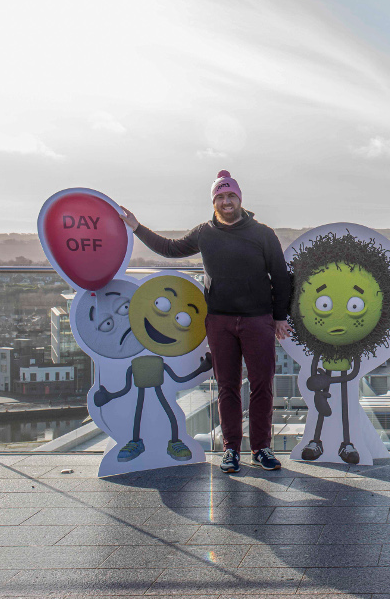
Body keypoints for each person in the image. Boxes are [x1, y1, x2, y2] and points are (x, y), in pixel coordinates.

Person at [119, 170, 291, 474]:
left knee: (262, 385)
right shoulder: (205, 233)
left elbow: (280, 276)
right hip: (220, 321)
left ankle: (262, 448)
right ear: (214, 201)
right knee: (228, 386)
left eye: (230, 196)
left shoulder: (262, 233)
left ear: (240, 199)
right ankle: (231, 450)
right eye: (220, 197)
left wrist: (279, 317)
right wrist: (136, 227)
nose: (226, 201)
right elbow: (170, 249)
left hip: (257, 320)